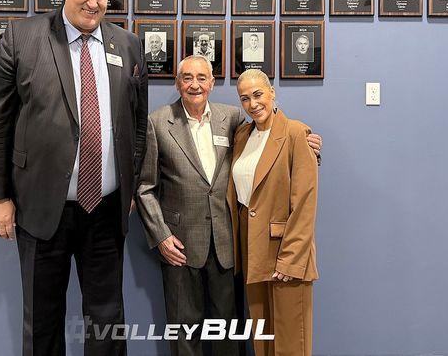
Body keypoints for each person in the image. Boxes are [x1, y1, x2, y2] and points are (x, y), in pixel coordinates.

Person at [0, 0, 148, 356]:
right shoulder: (22, 38)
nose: (93, 2)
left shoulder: (127, 44)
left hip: (106, 209)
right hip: (40, 207)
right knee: (43, 320)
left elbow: (137, 124)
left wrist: (131, 185)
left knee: (107, 318)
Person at [136, 57, 322, 356]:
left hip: (228, 245)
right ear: (178, 83)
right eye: (187, 78)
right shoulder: (158, 122)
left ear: (212, 83)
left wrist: (308, 145)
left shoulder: (233, 118)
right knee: (184, 332)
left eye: (202, 77)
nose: (194, 84)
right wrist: (161, 236)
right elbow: (145, 187)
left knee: (230, 333)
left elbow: (273, 145)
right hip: (180, 246)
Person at [228, 69, 319, 356]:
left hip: (286, 252)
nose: (253, 104)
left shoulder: (296, 133)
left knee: (291, 343)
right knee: (263, 341)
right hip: (253, 251)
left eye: (258, 95)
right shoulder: (242, 135)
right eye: (245, 98)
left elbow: (304, 203)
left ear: (272, 93)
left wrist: (291, 259)